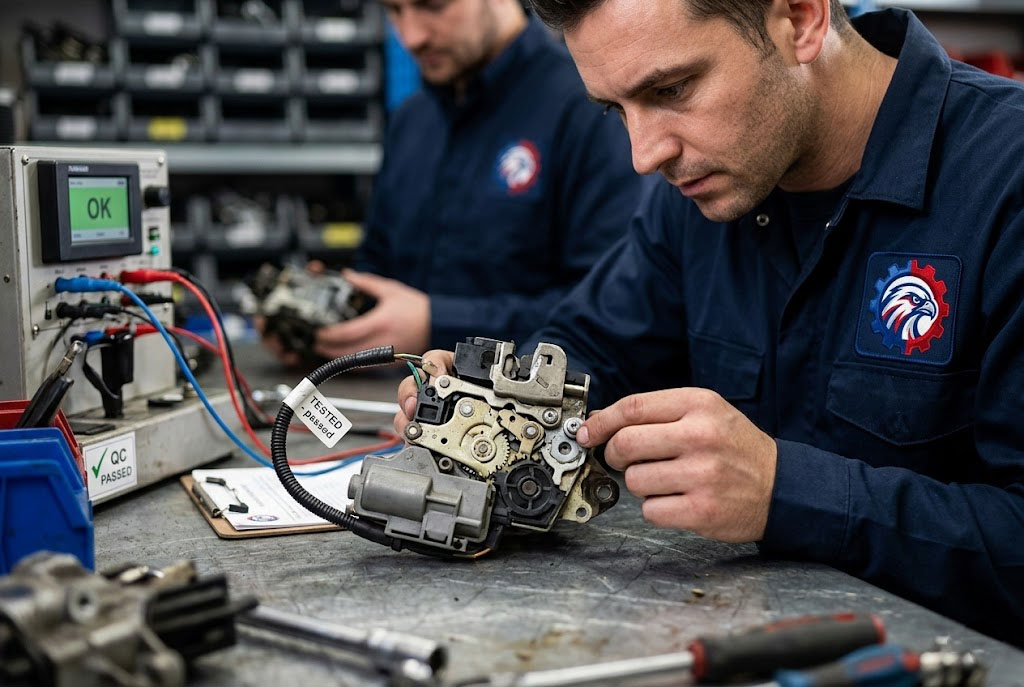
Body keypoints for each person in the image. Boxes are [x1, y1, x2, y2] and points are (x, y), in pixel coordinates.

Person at [396, 0, 1024, 646]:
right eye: (617, 110)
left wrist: (784, 490)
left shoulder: (1005, 180)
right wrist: (489, 405)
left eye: (671, 90)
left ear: (801, 19)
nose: (645, 155)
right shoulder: (698, 195)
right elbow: (593, 345)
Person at [266, 0, 641, 365]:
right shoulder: (411, 120)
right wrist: (327, 322)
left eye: (433, 6)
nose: (412, 37)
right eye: (394, 10)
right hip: (397, 404)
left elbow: (613, 309)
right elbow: (377, 268)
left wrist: (436, 324)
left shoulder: (591, 107)